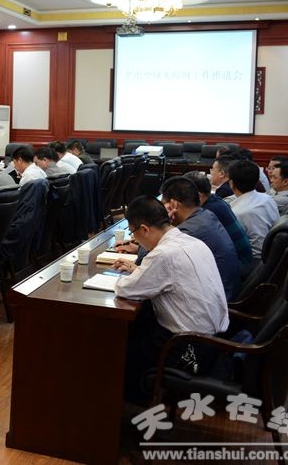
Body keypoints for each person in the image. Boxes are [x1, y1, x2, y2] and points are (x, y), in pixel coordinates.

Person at [111, 196, 228, 403]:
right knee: (140, 323)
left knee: (117, 345)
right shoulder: (193, 241)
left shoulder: (163, 254)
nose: (135, 239)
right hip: (213, 341)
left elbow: (125, 289)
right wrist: (140, 271)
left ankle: (128, 405)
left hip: (188, 347)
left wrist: (137, 274)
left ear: (144, 229)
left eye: (133, 233)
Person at [160, 177, 241, 300]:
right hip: (225, 289)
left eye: (163, 204)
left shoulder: (188, 231)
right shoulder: (206, 215)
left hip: (214, 300)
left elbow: (153, 261)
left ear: (174, 204)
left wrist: (161, 224)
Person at [183, 171, 253, 273]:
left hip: (238, 267)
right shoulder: (216, 201)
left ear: (199, 196)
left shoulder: (208, 212)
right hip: (240, 263)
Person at [228, 160, 280, 261]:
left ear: (231, 183)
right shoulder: (268, 199)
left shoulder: (235, 212)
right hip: (273, 256)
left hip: (253, 261)